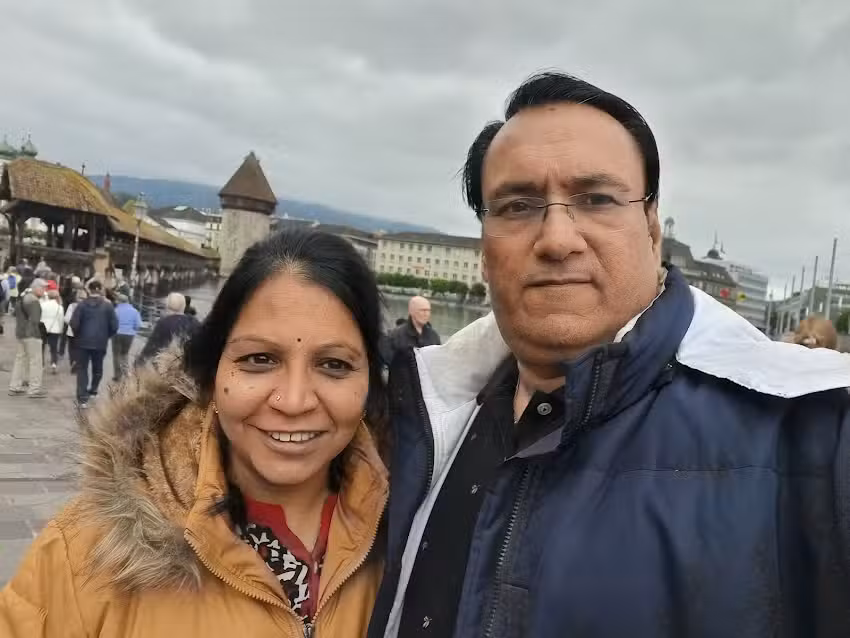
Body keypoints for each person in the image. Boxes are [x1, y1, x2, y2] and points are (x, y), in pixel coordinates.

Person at [368, 72, 850, 638]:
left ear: (651, 228)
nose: (556, 239)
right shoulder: (424, 411)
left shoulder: (815, 429)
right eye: (518, 206)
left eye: (595, 199)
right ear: (484, 245)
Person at [1, 229, 389, 638]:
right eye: (259, 359)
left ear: (370, 385)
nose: (293, 401)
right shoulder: (88, 549)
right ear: (211, 372)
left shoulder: (417, 540)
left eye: (334, 365)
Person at [69, 280, 117, 408]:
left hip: (83, 342)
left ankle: (82, 398)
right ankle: (93, 390)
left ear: (88, 290)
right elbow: (114, 325)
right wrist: (106, 336)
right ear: (101, 290)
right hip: (100, 342)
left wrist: (77, 335)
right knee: (98, 368)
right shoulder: (108, 306)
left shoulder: (82, 305)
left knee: (82, 369)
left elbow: (74, 323)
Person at [135, 292, 200, 367]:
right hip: (187, 365)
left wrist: (139, 362)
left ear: (167, 305)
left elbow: (151, 347)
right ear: (184, 306)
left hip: (166, 366)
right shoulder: (194, 322)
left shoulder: (163, 323)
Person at [8, 278, 47, 398]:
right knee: (35, 361)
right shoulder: (34, 301)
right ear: (36, 288)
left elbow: (14, 314)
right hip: (31, 334)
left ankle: (14, 387)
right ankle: (34, 389)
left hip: (20, 333)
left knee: (20, 360)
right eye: (43, 288)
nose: (44, 290)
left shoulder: (22, 298)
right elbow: (35, 320)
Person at [382, 296, 441, 365]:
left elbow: (438, 362)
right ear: (411, 311)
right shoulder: (396, 335)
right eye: (423, 310)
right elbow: (385, 360)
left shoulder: (433, 336)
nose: (426, 314)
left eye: (428, 310)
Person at [111, 291, 142, 381]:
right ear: (128, 301)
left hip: (117, 334)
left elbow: (112, 324)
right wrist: (132, 330)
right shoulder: (134, 311)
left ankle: (117, 375)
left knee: (116, 355)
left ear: (119, 301)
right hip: (129, 335)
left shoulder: (115, 310)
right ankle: (125, 372)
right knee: (125, 353)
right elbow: (137, 325)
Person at [39, 281, 64, 374]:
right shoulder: (59, 307)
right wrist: (61, 329)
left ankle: (41, 365)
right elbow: (61, 319)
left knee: (42, 347)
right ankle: (54, 364)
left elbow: (39, 316)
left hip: (43, 328)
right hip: (55, 329)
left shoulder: (42, 305)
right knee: (53, 348)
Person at [63, 289, 86, 373]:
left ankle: (73, 361)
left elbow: (66, 319)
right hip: (82, 332)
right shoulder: (86, 306)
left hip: (71, 331)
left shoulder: (71, 306)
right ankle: (78, 363)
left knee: (71, 348)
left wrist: (72, 323)